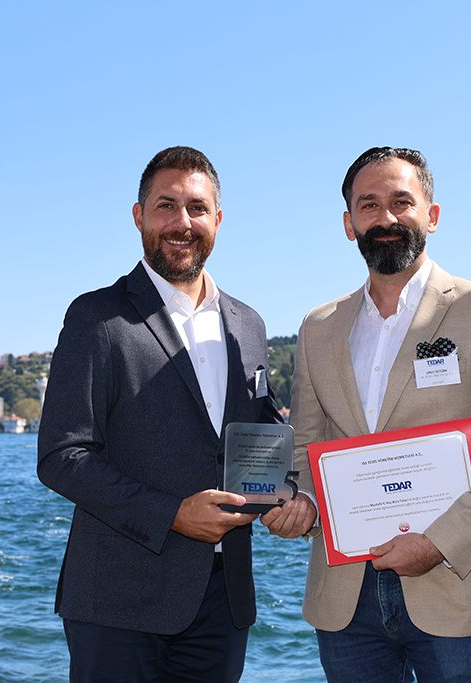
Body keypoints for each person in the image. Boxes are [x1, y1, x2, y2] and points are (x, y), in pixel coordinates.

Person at [261, 146, 471, 682]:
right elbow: (306, 448)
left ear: (432, 214)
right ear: (349, 224)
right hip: (345, 600)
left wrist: (438, 542)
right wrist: (301, 502)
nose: (387, 217)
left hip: (457, 587)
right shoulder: (317, 326)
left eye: (402, 202)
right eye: (369, 205)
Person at [38, 146, 282, 683]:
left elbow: (261, 434)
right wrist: (172, 513)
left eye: (197, 208)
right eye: (166, 206)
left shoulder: (250, 324)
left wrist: (291, 495)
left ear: (218, 219)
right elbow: (62, 456)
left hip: (223, 601)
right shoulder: (96, 317)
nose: (182, 223)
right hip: (118, 603)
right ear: (139, 215)